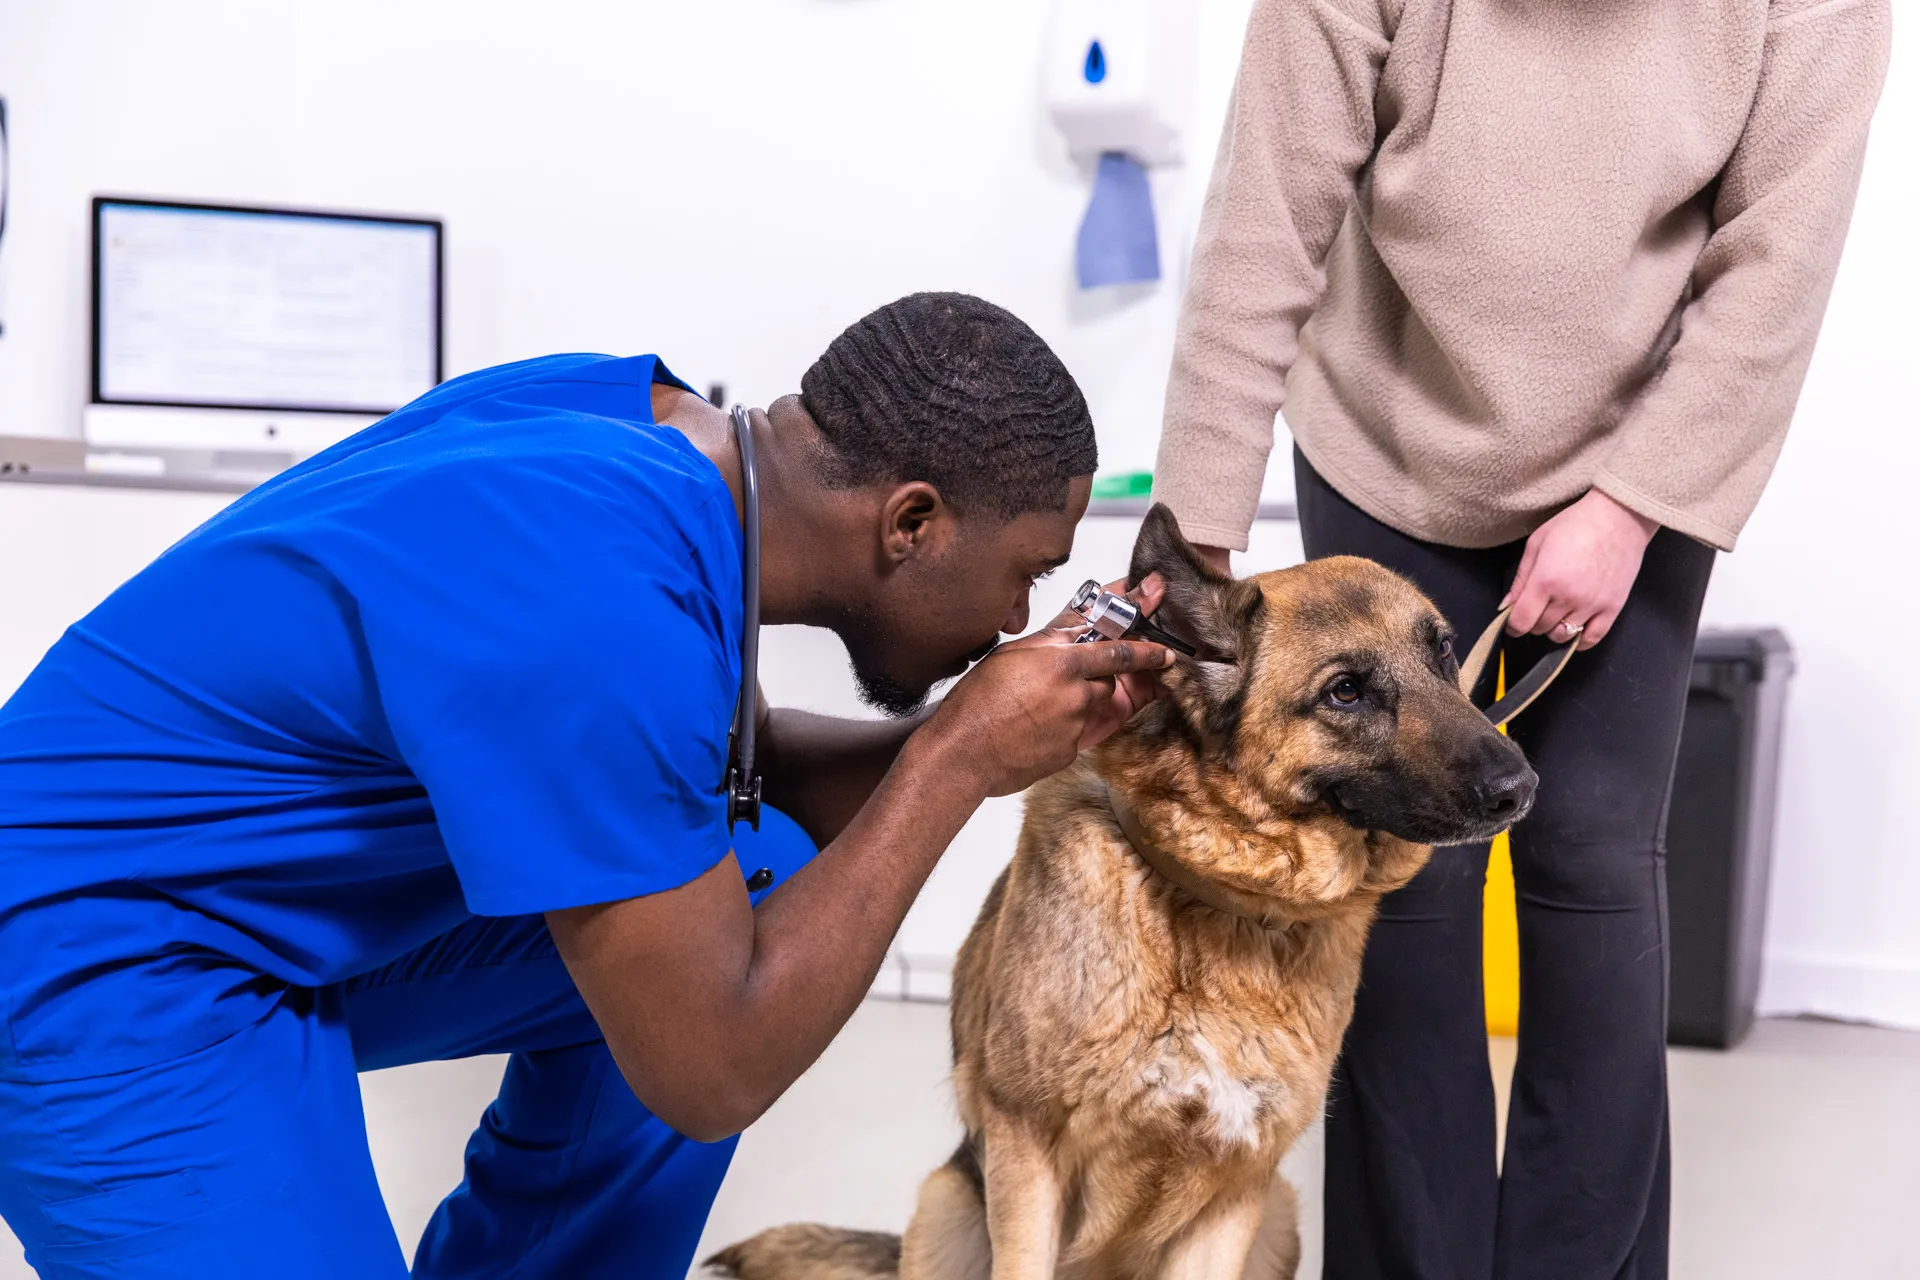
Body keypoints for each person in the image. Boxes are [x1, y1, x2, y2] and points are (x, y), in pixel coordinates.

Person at [0, 292, 1174, 1278]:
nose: (1017, 619)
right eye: (1023, 574)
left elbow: (720, 773)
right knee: (712, 999)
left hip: (262, 891)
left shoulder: (648, 437)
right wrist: (956, 752)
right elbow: (711, 1068)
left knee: (763, 861)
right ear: (912, 521)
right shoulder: (601, 612)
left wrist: (1008, 731)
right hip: (98, 950)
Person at [1151, 2, 1891, 1277]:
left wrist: (1634, 503)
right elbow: (1263, 222)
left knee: (1595, 866)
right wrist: (1196, 543)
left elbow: (1778, 262)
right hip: (1388, 437)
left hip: (1642, 451)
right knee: (1403, 892)